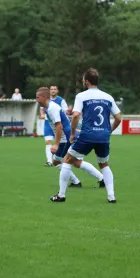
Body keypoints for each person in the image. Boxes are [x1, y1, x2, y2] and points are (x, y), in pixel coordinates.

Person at [51, 68, 122, 203]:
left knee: (67, 160)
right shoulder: (108, 97)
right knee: (104, 164)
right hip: (103, 136)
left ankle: (61, 195)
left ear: (87, 82)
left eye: (83, 79)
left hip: (87, 135)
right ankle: (111, 196)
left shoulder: (82, 96)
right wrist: (109, 131)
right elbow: (118, 118)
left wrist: (72, 133)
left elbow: (76, 115)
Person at [40, 85, 68, 166]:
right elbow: (41, 110)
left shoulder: (61, 100)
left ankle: (59, 158)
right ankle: (49, 161)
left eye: (54, 89)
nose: (53, 90)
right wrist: (42, 115)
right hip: (48, 123)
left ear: (57, 91)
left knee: (60, 142)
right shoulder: (45, 100)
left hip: (58, 123)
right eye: (51, 89)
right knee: (48, 141)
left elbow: (65, 112)